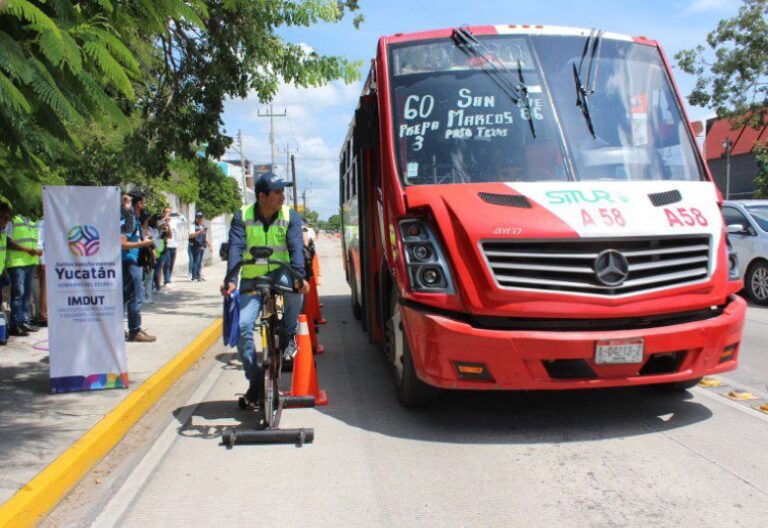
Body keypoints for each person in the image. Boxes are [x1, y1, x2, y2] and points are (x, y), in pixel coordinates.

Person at [221, 172, 310, 407]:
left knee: (294, 291)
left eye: (283, 191)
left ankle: (288, 334)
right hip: (252, 276)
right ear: (262, 196)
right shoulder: (242, 216)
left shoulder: (290, 215)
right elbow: (236, 248)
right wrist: (231, 278)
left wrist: (299, 276)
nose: (282, 196)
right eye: (277, 192)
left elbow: (295, 248)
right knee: (242, 327)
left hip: (281, 271)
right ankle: (256, 379)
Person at [121, 192, 156, 342]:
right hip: (128, 261)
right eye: (143, 202)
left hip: (132, 261)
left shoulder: (133, 219)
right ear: (137, 204)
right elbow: (122, 244)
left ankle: (121, 328)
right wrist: (144, 243)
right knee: (136, 296)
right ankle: (135, 331)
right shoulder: (127, 219)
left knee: (124, 297)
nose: (144, 205)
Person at [6, 213, 43, 337]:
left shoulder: (33, 221)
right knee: (18, 293)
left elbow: (36, 242)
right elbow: (8, 241)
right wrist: (27, 250)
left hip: (30, 263)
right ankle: (15, 324)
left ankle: (25, 321)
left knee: (27, 294)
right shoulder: (13, 219)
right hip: (17, 263)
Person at [188, 212, 210, 281]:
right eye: (199, 217)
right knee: (195, 261)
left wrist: (209, 245)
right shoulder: (193, 226)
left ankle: (198, 275)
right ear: (196, 218)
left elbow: (205, 236)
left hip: (201, 245)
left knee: (200, 262)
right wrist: (199, 232)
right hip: (195, 245)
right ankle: (194, 276)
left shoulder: (203, 226)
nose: (201, 219)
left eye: (202, 217)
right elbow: (190, 235)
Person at [162, 208, 178, 288]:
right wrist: (164, 219)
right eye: (167, 212)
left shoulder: (174, 221)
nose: (168, 214)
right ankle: (166, 280)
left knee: (171, 264)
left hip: (174, 245)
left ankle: (169, 278)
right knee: (167, 263)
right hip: (166, 245)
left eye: (170, 213)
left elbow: (185, 221)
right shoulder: (162, 222)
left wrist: (178, 214)